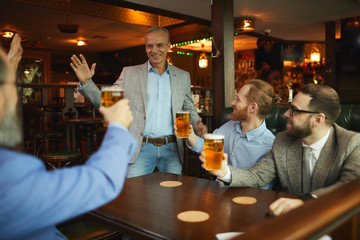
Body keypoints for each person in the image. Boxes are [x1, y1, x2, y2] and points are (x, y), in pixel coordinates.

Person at [0, 34, 138, 239]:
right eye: (11, 87)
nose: (16, 94)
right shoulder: (11, 177)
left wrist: (7, 69)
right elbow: (100, 183)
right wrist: (118, 129)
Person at [200, 83, 360, 216]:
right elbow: (257, 175)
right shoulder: (283, 141)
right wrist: (224, 172)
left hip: (335, 224)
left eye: (294, 111)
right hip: (289, 222)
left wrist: (304, 202)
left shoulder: (352, 144)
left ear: (318, 119)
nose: (285, 114)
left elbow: (348, 187)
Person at [70, 26, 207, 178]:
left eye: (159, 45)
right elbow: (108, 103)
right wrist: (87, 82)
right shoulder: (129, 73)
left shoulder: (183, 76)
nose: (154, 50)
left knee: (171, 197)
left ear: (169, 46)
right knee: (135, 197)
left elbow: (188, 107)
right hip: (139, 148)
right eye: (149, 46)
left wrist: (196, 124)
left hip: (172, 149)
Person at [181, 79, 276, 189]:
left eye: (238, 100)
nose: (232, 103)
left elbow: (261, 187)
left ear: (253, 107)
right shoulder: (230, 126)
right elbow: (209, 148)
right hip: (219, 193)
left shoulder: (269, 144)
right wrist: (191, 135)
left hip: (247, 200)